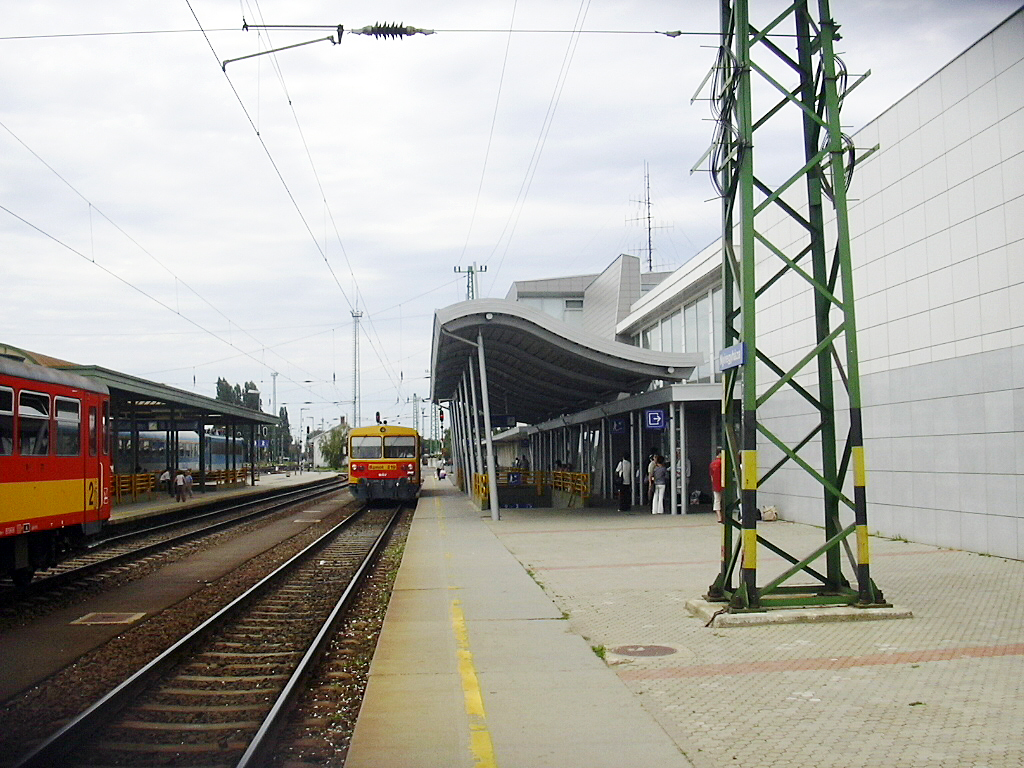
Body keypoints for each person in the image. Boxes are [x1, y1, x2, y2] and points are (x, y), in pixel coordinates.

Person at [710, 449, 724, 523]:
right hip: (723, 484)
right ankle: (723, 516)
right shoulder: (723, 463)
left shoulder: (712, 464)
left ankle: (719, 516)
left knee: (717, 500)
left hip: (715, 485)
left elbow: (711, 476)